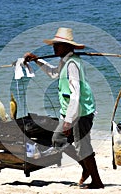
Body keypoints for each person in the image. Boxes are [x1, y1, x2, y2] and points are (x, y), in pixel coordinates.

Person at [24, 27, 104, 189]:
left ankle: (97, 181)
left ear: (68, 46)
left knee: (83, 146)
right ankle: (85, 168)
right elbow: (54, 73)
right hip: (70, 111)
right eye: (55, 45)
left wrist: (68, 120)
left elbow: (76, 94)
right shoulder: (65, 61)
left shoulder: (72, 64)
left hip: (81, 112)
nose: (54, 48)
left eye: (58, 45)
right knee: (58, 140)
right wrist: (37, 60)